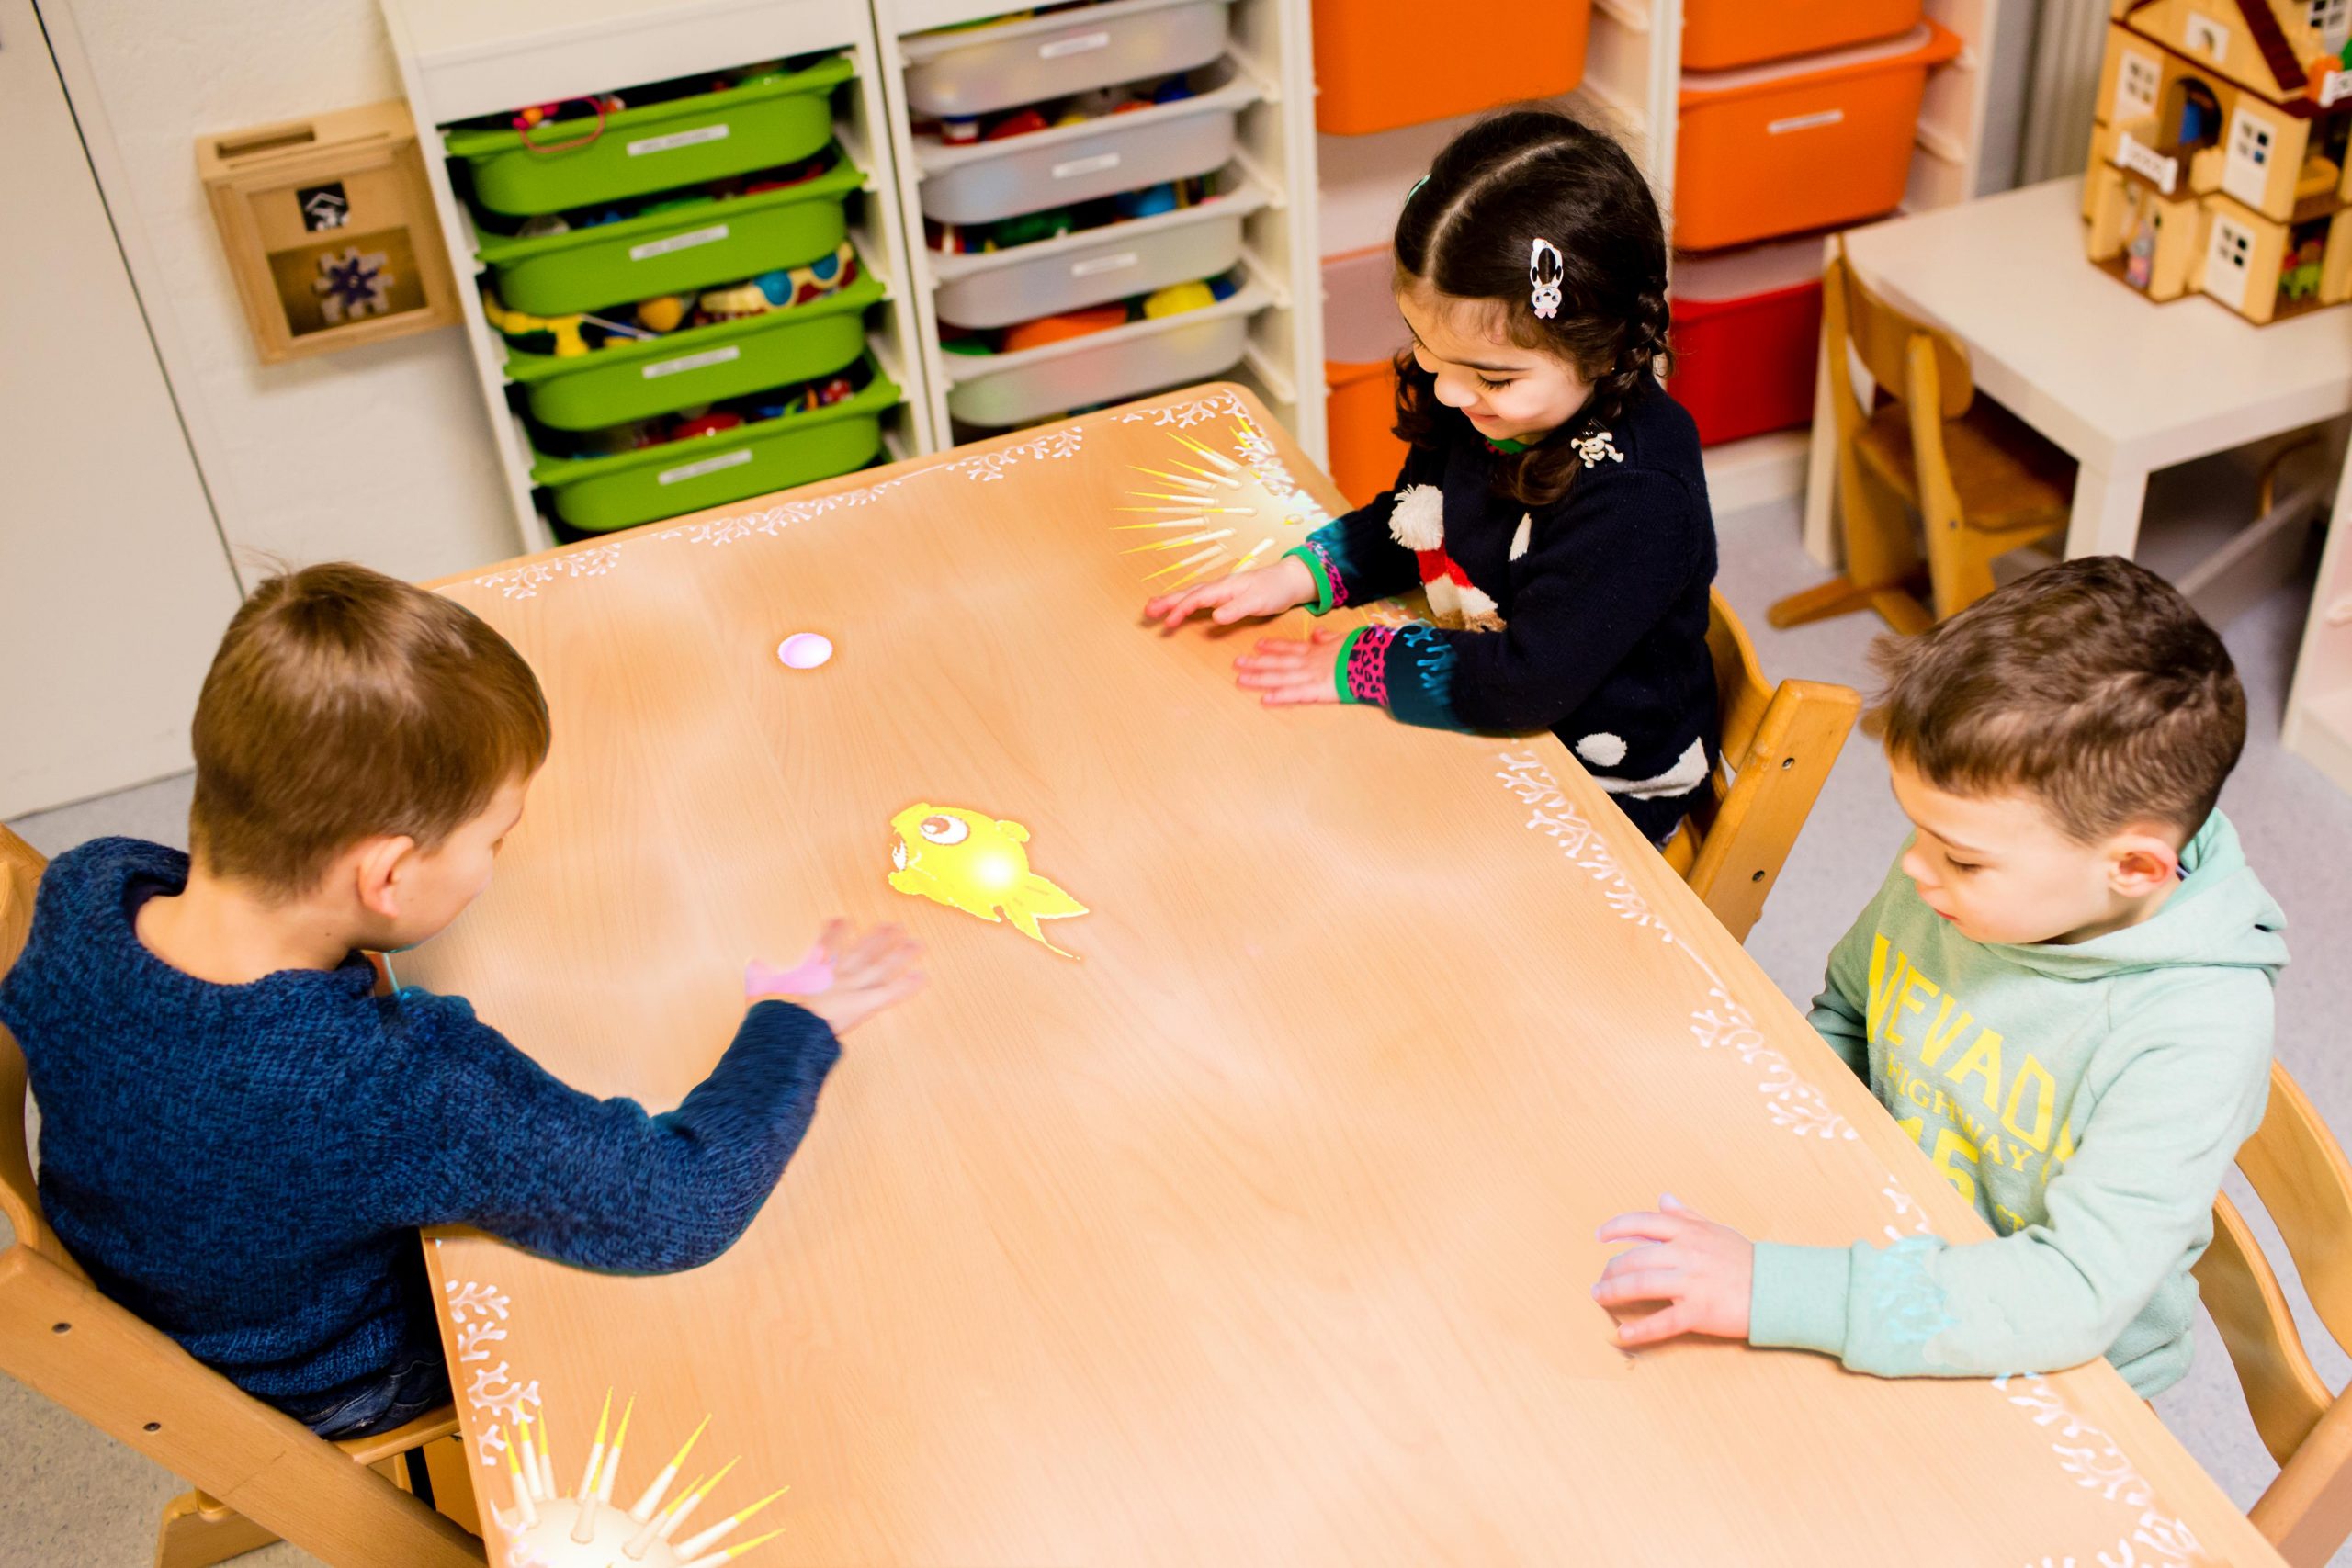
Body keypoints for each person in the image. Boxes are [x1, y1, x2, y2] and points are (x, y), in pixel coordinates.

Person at [0, 563, 922, 1438]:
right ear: (389, 874)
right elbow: (680, 1204)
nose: (500, 859)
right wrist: (796, 1026)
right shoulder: (385, 1086)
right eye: (498, 835)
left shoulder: (90, 887)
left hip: (168, 1275)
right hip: (330, 1373)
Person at [1592, 558, 2286, 1398]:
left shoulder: (2198, 1032)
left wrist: (1776, 1289)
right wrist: (1763, 1152)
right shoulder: (1963, 880)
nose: (1918, 870)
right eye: (1918, 830)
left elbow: (2072, 1294)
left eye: (1960, 855)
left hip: (2047, 1364)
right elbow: (1847, 1015)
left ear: (2133, 867)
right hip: (1879, 1236)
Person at [1145, 107, 1718, 847]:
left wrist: (1363, 664)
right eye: (1425, 347)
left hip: (1598, 780)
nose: (1447, 391)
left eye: (1490, 376)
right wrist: (1296, 575)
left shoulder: (1638, 496)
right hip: (1494, 696)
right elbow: (1416, 521)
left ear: (1605, 349)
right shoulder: (1481, 398)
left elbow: (1525, 684)